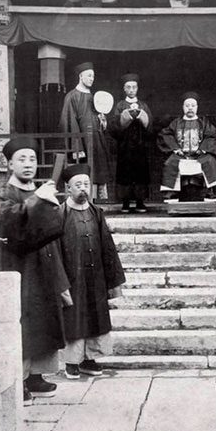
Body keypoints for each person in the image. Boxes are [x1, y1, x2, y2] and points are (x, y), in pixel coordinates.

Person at [0, 138, 73, 402]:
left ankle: (36, 376)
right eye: (21, 159)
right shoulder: (4, 193)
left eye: (32, 159)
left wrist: (61, 280)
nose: (28, 164)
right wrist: (38, 200)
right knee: (23, 324)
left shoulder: (40, 191)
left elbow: (53, 235)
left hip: (44, 269)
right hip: (20, 269)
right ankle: (18, 378)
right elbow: (10, 224)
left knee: (44, 323)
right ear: (10, 163)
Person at [58, 164, 126, 379]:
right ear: (68, 188)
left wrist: (113, 281)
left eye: (86, 184)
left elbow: (107, 246)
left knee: (95, 315)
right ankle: (71, 362)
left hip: (95, 275)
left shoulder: (96, 212)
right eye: (78, 185)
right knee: (73, 318)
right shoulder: (60, 214)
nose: (83, 189)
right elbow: (54, 249)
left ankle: (90, 358)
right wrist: (59, 282)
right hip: (72, 275)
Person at [59, 62, 111, 201]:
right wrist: (77, 146)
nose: (91, 79)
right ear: (81, 76)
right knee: (84, 168)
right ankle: (84, 200)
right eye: (89, 76)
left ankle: (95, 201)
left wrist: (102, 121)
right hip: (82, 141)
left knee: (98, 168)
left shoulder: (95, 97)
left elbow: (98, 118)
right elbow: (69, 122)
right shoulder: (72, 96)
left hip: (96, 140)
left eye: (93, 76)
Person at [157, 91, 216, 200]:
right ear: (183, 107)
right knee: (170, 163)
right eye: (187, 106)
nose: (190, 108)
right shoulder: (176, 122)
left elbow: (212, 135)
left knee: (210, 161)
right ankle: (171, 191)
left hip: (199, 155)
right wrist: (175, 148)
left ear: (197, 107)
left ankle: (209, 190)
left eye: (193, 105)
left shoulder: (203, 122)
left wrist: (203, 149)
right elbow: (165, 134)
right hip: (181, 155)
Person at [110, 73, 153, 213]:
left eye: (134, 87)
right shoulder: (120, 106)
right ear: (124, 89)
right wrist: (125, 119)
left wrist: (143, 119)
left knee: (140, 173)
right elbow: (115, 126)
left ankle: (140, 202)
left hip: (141, 145)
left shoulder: (143, 105)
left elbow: (150, 126)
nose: (131, 89)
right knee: (125, 173)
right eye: (128, 87)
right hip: (125, 146)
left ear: (137, 88)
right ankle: (126, 202)